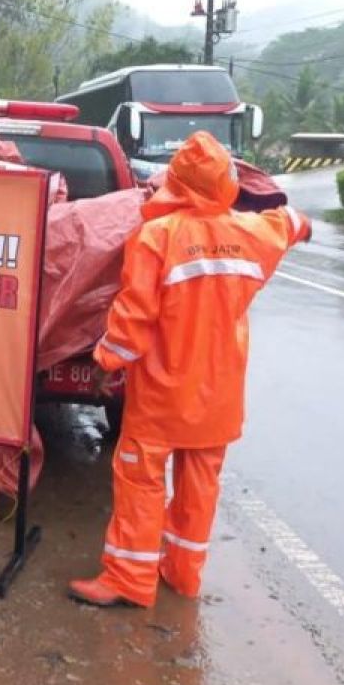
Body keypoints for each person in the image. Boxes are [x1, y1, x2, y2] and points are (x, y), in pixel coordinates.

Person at [69, 131, 311, 608]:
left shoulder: (156, 237)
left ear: (174, 182)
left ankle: (129, 580)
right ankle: (182, 575)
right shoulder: (252, 232)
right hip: (218, 397)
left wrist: (105, 363)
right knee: (199, 488)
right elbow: (291, 222)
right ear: (226, 184)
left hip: (162, 396)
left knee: (141, 482)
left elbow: (133, 318)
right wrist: (300, 225)